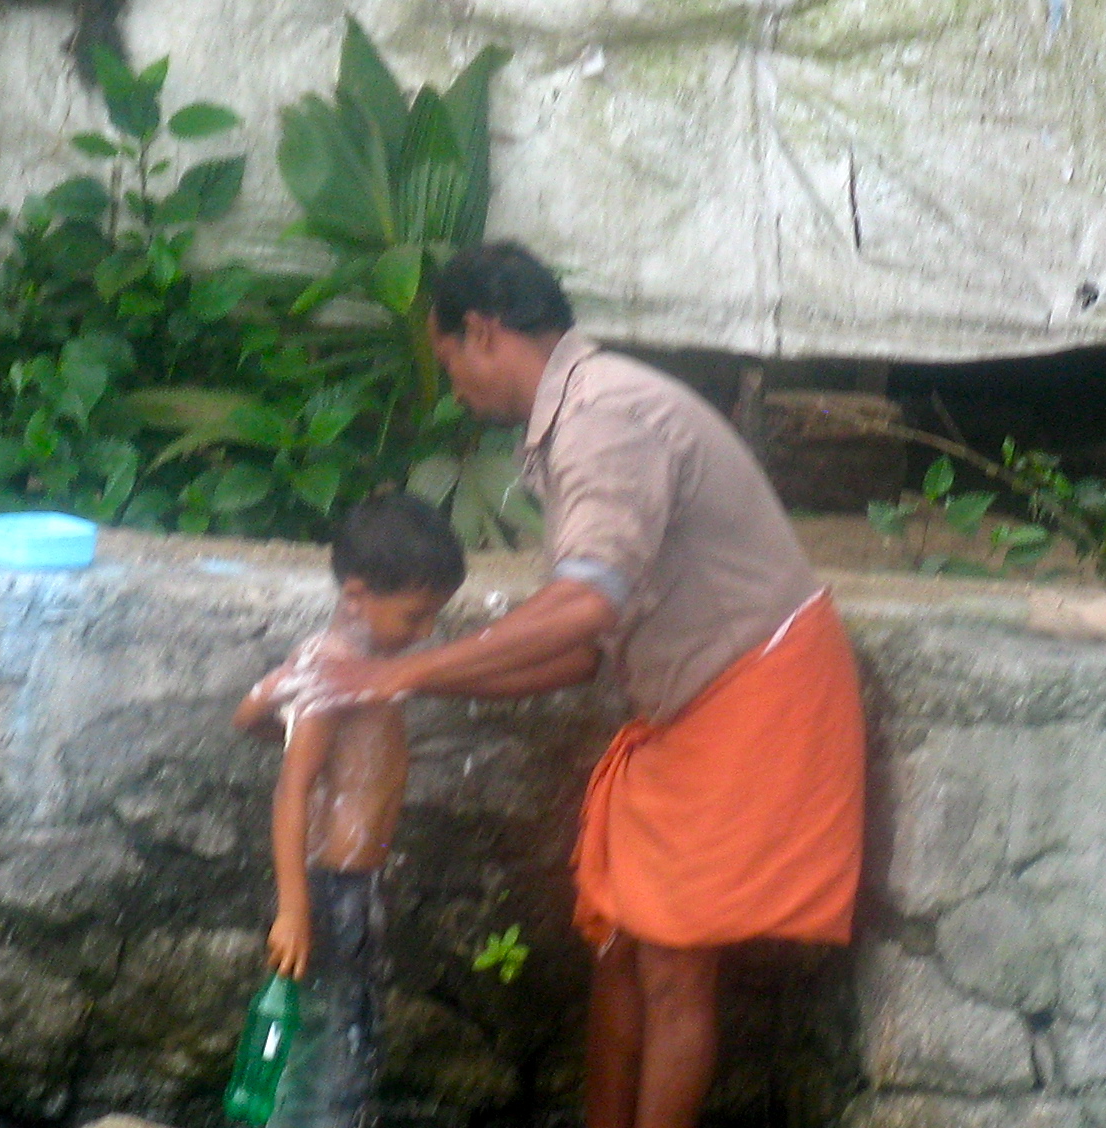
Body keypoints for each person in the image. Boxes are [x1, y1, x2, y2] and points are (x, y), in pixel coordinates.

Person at [256, 241, 867, 1128]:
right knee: (619, 948)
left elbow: (583, 607)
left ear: (483, 331)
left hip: (758, 693)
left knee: (673, 968)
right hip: (692, 705)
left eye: (450, 362)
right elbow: (580, 655)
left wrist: (400, 669)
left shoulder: (602, 415)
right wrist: (398, 686)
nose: (455, 388)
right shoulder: (575, 418)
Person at [233, 492, 467, 1128]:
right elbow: (293, 789)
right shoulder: (335, 673)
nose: (426, 634)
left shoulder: (339, 665)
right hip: (326, 890)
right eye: (416, 616)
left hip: (342, 886)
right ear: (357, 595)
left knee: (333, 1031)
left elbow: (247, 714)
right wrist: (293, 907)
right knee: (334, 1045)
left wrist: (280, 705)